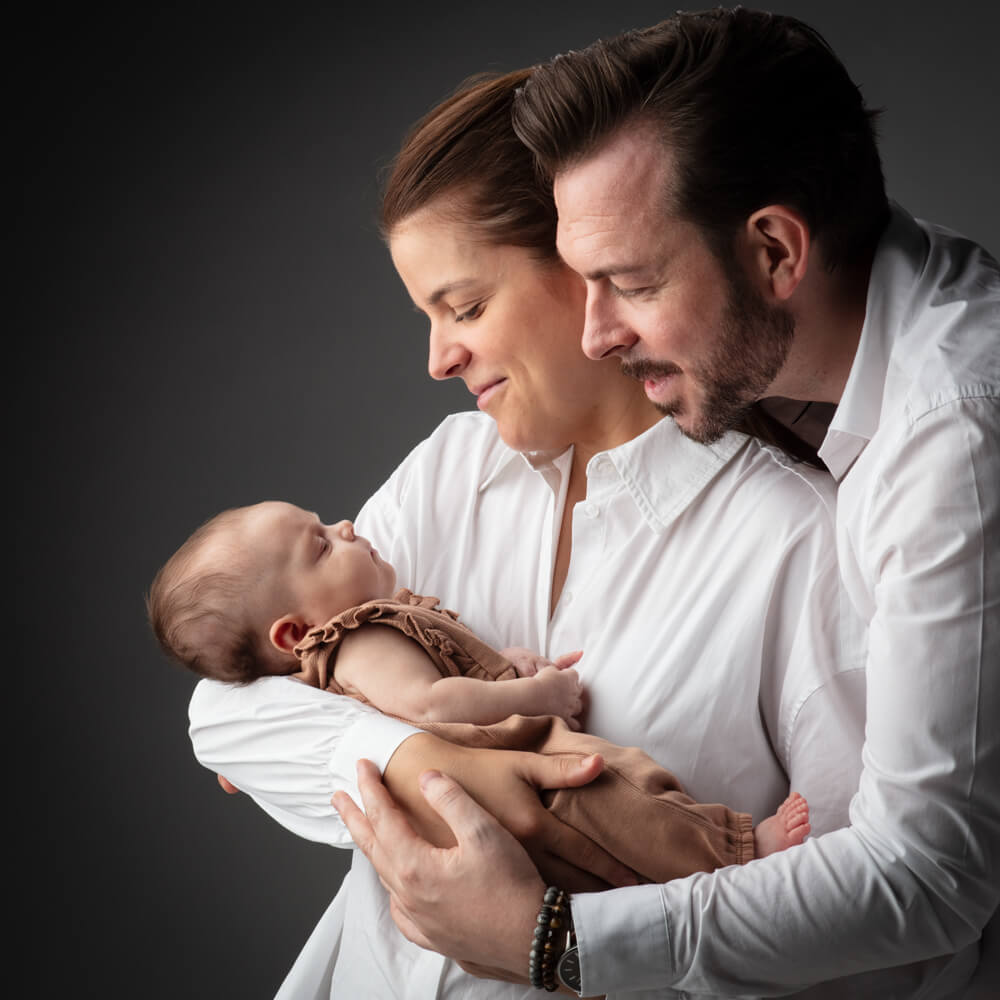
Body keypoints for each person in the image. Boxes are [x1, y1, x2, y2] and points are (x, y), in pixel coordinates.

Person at [335, 9, 1000, 998]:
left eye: (624, 281)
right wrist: (428, 746)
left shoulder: (951, 439)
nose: (596, 331)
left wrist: (554, 937)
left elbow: (925, 888)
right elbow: (240, 685)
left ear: (776, 251)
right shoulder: (842, 371)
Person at [187, 68, 865, 999]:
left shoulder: (798, 537)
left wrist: (554, 938)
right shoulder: (450, 471)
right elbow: (224, 710)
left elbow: (867, 924)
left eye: (464, 307)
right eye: (427, 316)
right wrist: (424, 758)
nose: (437, 359)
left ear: (589, 267)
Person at [154, 499, 811, 872]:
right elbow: (431, 703)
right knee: (619, 792)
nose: (346, 528)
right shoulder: (357, 638)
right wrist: (535, 695)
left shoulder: (374, 626)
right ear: (294, 635)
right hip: (507, 774)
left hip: (501, 774)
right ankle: (739, 849)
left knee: (623, 797)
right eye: (322, 546)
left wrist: (511, 663)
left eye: (325, 522)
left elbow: (448, 670)